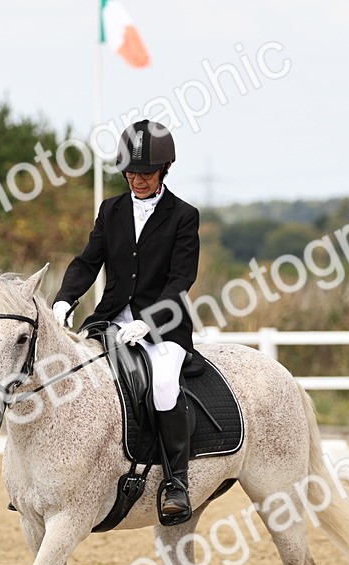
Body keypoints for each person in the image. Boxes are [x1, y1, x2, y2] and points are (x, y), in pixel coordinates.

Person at [52, 119, 200, 524]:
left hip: (164, 325)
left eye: (145, 173)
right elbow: (87, 262)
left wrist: (149, 324)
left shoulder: (183, 216)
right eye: (130, 172)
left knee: (165, 384)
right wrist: (65, 299)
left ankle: (176, 483)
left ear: (164, 169)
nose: (136, 179)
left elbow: (181, 280)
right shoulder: (111, 210)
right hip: (109, 320)